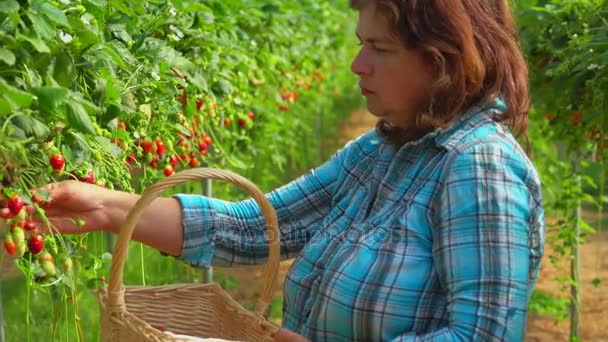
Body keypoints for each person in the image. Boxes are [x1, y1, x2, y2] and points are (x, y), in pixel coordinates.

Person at [33, 0, 545, 341]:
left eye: (380, 49)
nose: (357, 65)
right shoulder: (382, 153)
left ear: (444, 59)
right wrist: (103, 206)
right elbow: (254, 227)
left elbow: (482, 335)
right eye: (362, 43)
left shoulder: (479, 167)